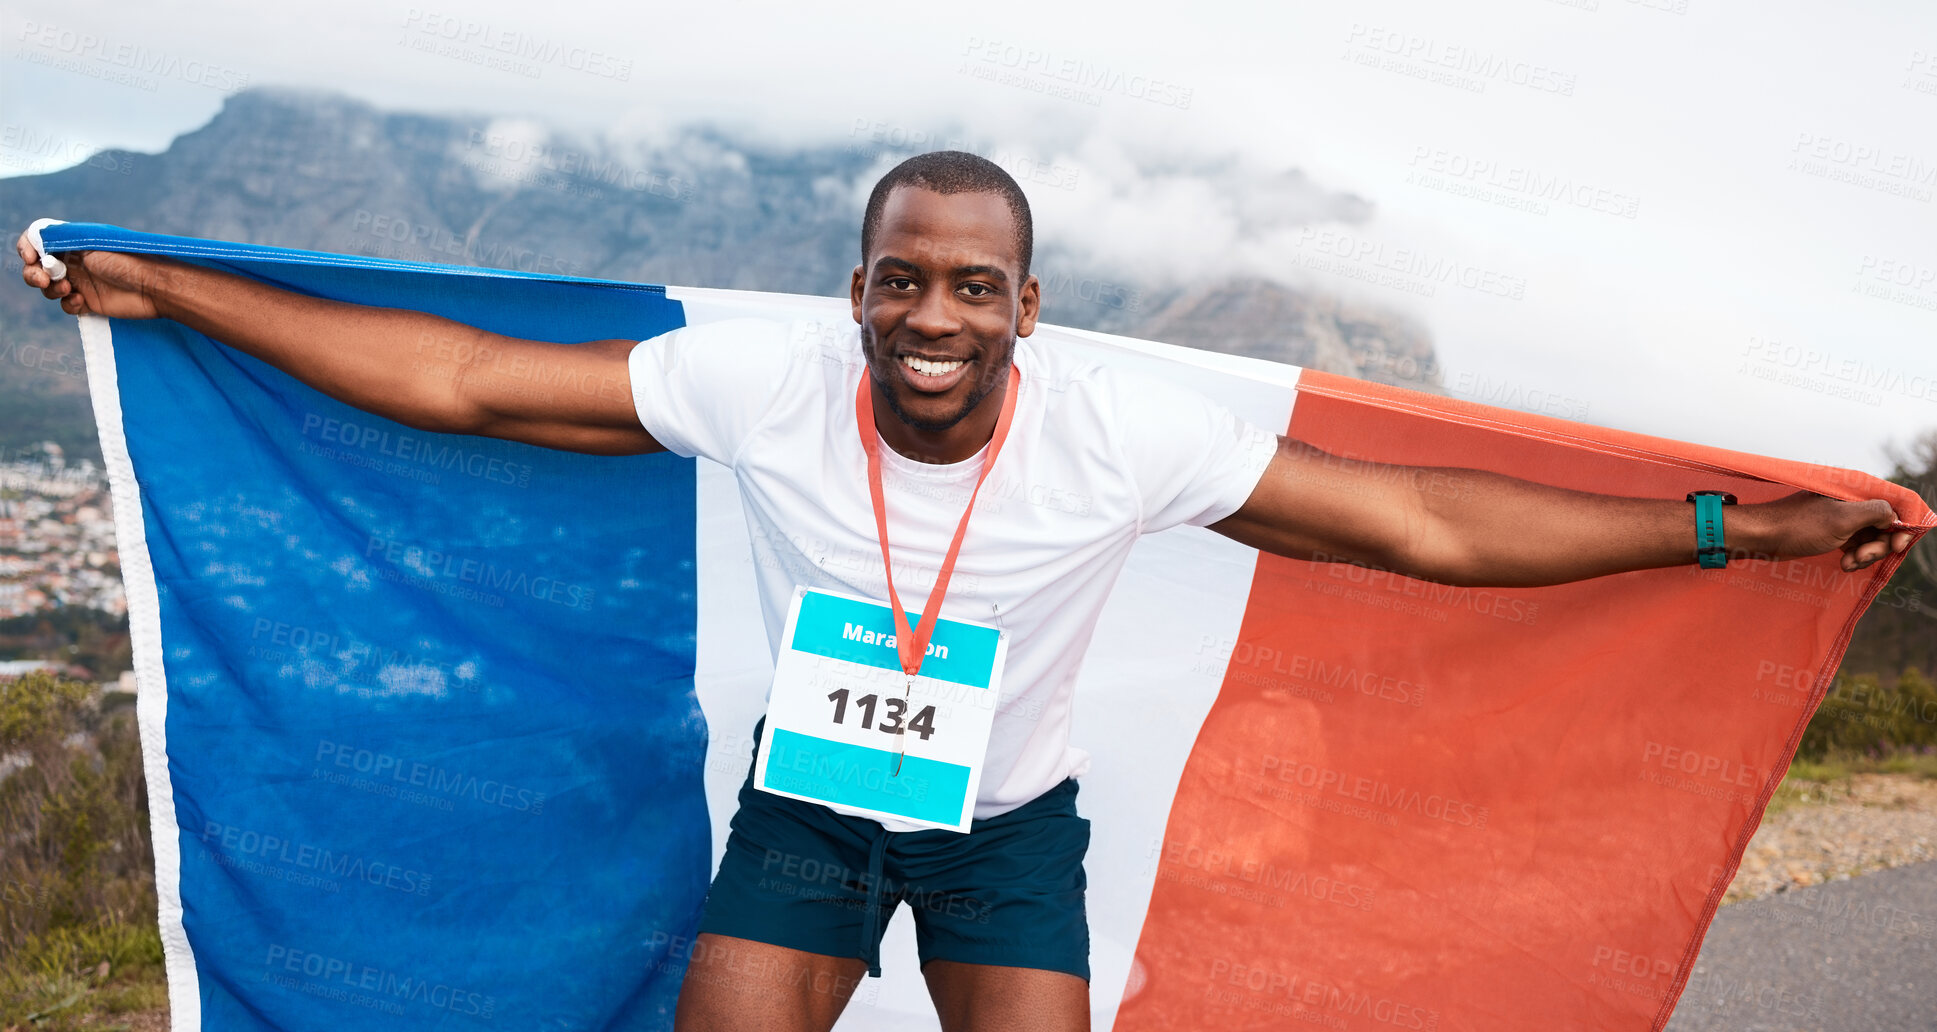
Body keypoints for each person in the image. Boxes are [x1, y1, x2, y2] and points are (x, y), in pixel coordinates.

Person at [16, 151, 1910, 1032]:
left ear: (1026, 304)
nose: (935, 317)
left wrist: (1725, 532)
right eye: (902, 280)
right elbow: (456, 378)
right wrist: (178, 291)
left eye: (974, 286)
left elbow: (1415, 520)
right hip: (804, 819)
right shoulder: (760, 386)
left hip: (1006, 838)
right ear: (858, 292)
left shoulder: (1114, 428)